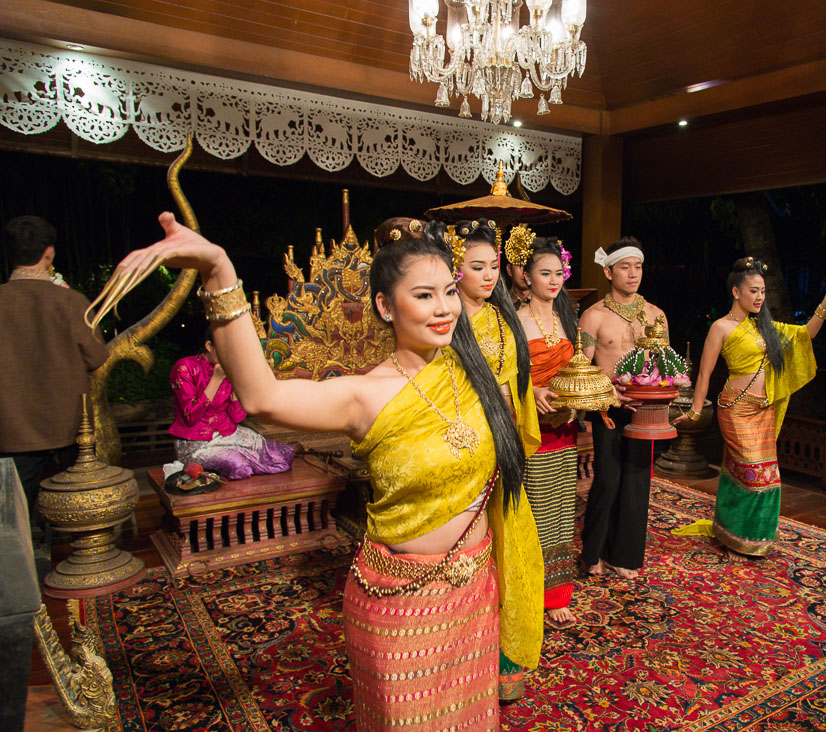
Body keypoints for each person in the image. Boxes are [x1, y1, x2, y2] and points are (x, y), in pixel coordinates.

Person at [111, 212, 542, 731]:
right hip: (398, 604)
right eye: (424, 295)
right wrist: (218, 269)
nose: (445, 308)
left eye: (449, 292)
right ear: (385, 305)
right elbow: (262, 397)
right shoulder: (364, 395)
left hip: (473, 594)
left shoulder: (472, 375)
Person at [674, 257, 826, 556]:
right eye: (754, 291)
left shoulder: (764, 327)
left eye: (762, 291)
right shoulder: (721, 327)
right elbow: (704, 372)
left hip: (763, 410)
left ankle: (746, 536)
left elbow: (806, 334)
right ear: (736, 292)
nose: (760, 297)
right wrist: (697, 410)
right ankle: (739, 532)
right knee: (753, 475)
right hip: (736, 410)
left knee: (767, 476)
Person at [451, 218, 543, 701]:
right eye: (475, 266)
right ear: (454, 268)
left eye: (493, 266)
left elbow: (511, 388)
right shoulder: (445, 321)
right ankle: (461, 658)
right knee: (469, 549)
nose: (488, 276)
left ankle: (504, 660)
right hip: (462, 444)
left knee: (510, 546)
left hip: (502, 447)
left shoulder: (502, 320)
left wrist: (510, 437)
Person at [0, 216, 109, 518]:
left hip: (10, 430)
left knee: (13, 519)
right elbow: (97, 356)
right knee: (81, 508)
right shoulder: (70, 301)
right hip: (70, 427)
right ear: (49, 253)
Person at [577, 236, 668, 580]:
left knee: (636, 482)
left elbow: (666, 366)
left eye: (638, 267)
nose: (633, 274)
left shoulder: (656, 315)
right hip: (608, 410)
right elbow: (582, 370)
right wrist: (611, 395)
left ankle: (624, 555)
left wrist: (658, 394)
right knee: (607, 481)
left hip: (645, 409)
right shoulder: (592, 316)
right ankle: (593, 552)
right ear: (608, 271)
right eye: (625, 267)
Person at [513, 235, 581, 624]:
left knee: (561, 512)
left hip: (565, 426)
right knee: (535, 510)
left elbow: (579, 369)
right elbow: (506, 377)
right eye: (545, 273)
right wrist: (531, 389)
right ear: (527, 276)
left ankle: (556, 595)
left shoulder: (567, 316)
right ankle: (527, 589)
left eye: (558, 272)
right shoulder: (516, 321)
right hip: (533, 431)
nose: (554, 280)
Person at [166, 328, 294, 480]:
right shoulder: (185, 367)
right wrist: (217, 379)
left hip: (227, 433)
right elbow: (191, 416)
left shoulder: (229, 369)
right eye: (226, 349)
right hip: (195, 442)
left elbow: (236, 417)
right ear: (209, 346)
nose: (230, 356)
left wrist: (235, 384)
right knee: (238, 466)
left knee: (283, 454)